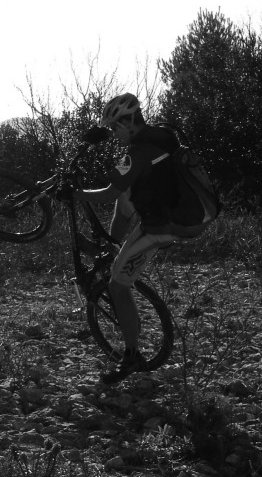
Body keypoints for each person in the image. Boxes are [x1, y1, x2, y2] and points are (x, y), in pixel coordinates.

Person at [73, 93, 180, 384]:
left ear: (131, 121)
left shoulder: (138, 152)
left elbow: (107, 192)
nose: (114, 133)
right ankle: (111, 248)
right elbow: (121, 194)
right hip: (169, 210)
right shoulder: (159, 137)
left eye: (116, 126)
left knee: (117, 288)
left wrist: (76, 194)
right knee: (125, 199)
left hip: (160, 225)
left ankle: (132, 356)